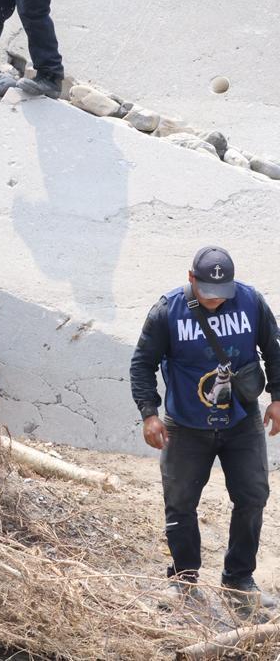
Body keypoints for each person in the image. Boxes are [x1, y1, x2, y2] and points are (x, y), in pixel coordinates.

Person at [130, 246, 280, 611]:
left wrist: (277, 397)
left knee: (253, 496)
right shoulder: (167, 311)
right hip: (185, 425)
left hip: (241, 421)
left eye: (221, 293)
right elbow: (142, 364)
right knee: (180, 503)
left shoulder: (251, 302)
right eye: (206, 292)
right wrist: (150, 413)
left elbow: (274, 350)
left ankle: (237, 578)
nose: (214, 300)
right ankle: (184, 579)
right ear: (191, 278)